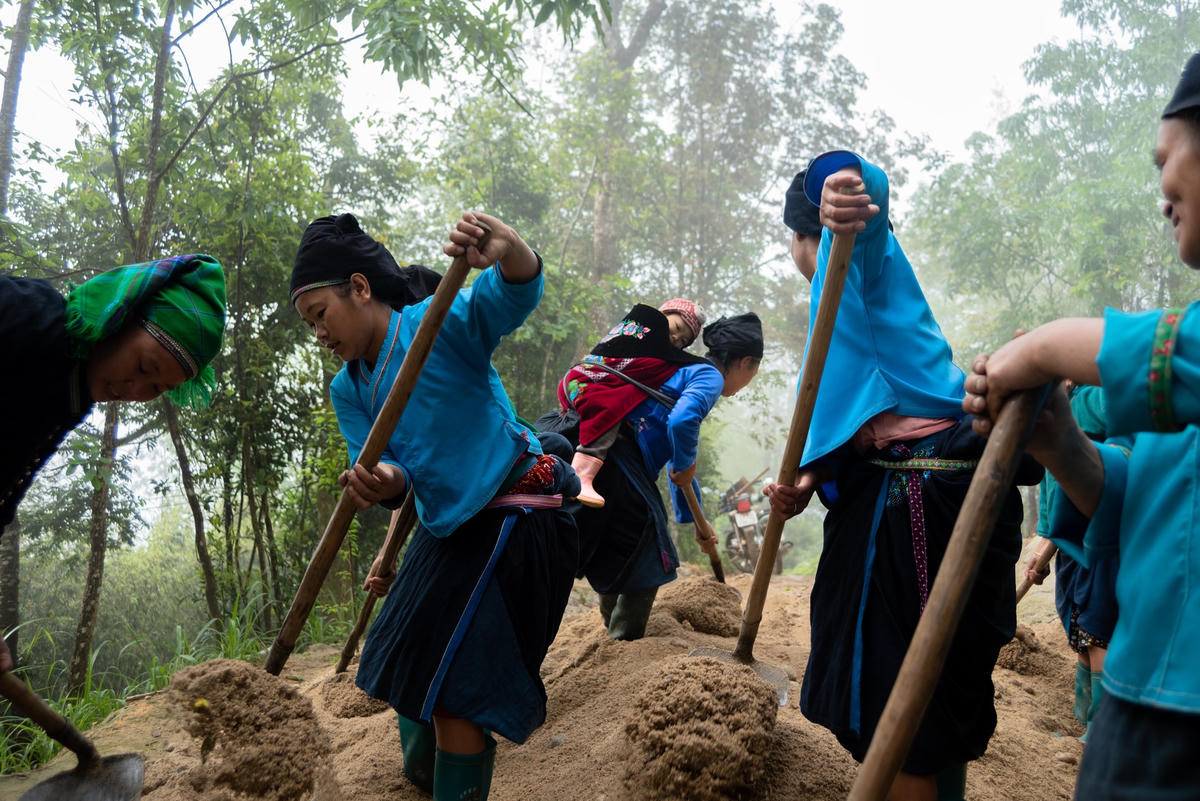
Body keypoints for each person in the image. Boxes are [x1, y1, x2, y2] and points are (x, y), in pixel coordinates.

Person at [763, 154, 1039, 801]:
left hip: (924, 491)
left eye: (802, 242)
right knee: (908, 695)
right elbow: (856, 411)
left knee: (912, 703)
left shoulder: (858, 256)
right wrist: (811, 475)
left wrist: (843, 196)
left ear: (806, 238)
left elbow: (867, 202)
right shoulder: (828, 306)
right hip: (888, 484)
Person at [963, 53, 1200, 800]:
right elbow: (1164, 508)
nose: (1161, 191)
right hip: (1146, 697)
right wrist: (1062, 444)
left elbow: (1170, 353)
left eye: (1166, 157)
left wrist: (1035, 347)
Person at [290, 211, 579, 801]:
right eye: (309, 323)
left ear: (361, 288)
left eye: (320, 313)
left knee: (456, 695)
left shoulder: (436, 322)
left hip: (511, 510)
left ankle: (456, 782)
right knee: (398, 657)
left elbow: (514, 292)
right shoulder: (347, 388)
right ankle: (428, 776)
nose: (318, 332)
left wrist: (511, 246)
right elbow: (392, 470)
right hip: (448, 528)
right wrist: (379, 480)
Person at [0, 253, 227, 673]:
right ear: (120, 318)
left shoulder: (71, 392)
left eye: (157, 387)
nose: (134, 389)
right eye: (143, 366)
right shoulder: (25, 316)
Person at [573, 310, 763, 640]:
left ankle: (612, 634)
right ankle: (624, 641)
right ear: (746, 362)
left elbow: (680, 467)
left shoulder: (682, 369)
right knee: (651, 549)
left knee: (621, 543)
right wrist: (687, 464)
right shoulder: (710, 377)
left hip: (596, 442)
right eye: (754, 371)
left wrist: (696, 523)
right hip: (620, 449)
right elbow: (682, 423)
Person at [1021, 382, 1116, 742]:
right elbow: (1053, 492)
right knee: (1078, 623)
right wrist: (1044, 551)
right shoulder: (1048, 414)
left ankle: (1101, 731)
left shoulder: (1093, 400)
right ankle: (1084, 718)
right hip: (1071, 541)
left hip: (1102, 536)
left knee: (1097, 628)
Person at [560, 298, 707, 507]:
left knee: (625, 396)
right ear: (663, 314)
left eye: (683, 341)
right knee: (613, 407)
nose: (675, 338)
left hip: (578, 380)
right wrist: (708, 367)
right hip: (589, 382)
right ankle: (581, 474)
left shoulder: (641, 341)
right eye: (677, 327)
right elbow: (679, 359)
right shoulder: (644, 324)